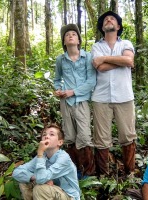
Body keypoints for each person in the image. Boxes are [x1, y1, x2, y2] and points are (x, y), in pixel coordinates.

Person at [91, 11, 137, 177]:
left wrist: (105, 59)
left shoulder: (126, 43)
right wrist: (121, 61)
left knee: (127, 135)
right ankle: (103, 176)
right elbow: (100, 67)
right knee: (101, 138)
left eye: (112, 19)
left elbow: (129, 61)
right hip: (101, 97)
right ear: (102, 27)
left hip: (124, 96)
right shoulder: (96, 46)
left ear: (118, 26)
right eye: (105, 19)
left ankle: (130, 173)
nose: (108, 20)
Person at [54, 24, 96, 179]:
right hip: (65, 104)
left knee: (84, 136)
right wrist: (58, 89)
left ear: (78, 40)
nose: (70, 36)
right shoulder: (61, 59)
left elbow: (91, 82)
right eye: (67, 35)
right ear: (64, 42)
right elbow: (57, 79)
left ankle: (88, 172)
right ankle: (75, 170)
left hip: (81, 102)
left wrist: (73, 92)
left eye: (74, 34)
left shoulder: (87, 57)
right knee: (70, 136)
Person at [12, 124, 81, 200]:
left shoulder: (63, 158)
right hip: (51, 190)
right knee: (24, 182)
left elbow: (41, 179)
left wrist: (40, 152)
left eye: (51, 134)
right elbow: (16, 172)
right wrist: (33, 177)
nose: (46, 136)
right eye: (44, 134)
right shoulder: (43, 156)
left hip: (68, 195)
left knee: (40, 189)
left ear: (60, 142)